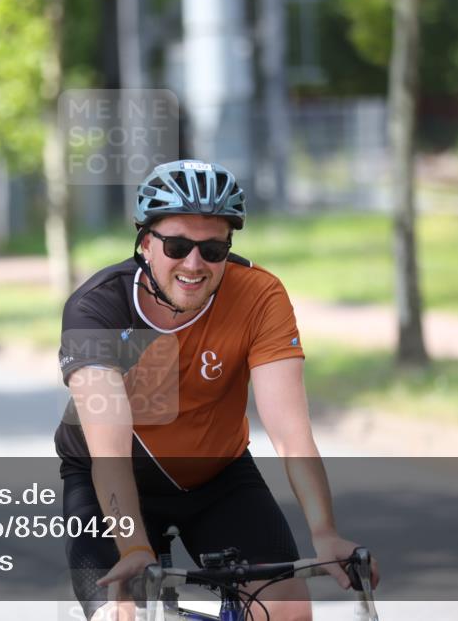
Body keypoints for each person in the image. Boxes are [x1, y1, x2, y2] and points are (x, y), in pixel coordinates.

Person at [55, 160, 379, 621]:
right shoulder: (97, 309)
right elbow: (110, 450)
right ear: (145, 242)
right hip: (108, 480)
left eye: (212, 249)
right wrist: (133, 545)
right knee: (121, 615)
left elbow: (290, 432)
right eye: (178, 245)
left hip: (217, 477)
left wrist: (323, 531)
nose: (194, 263)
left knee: (286, 610)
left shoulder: (258, 295)